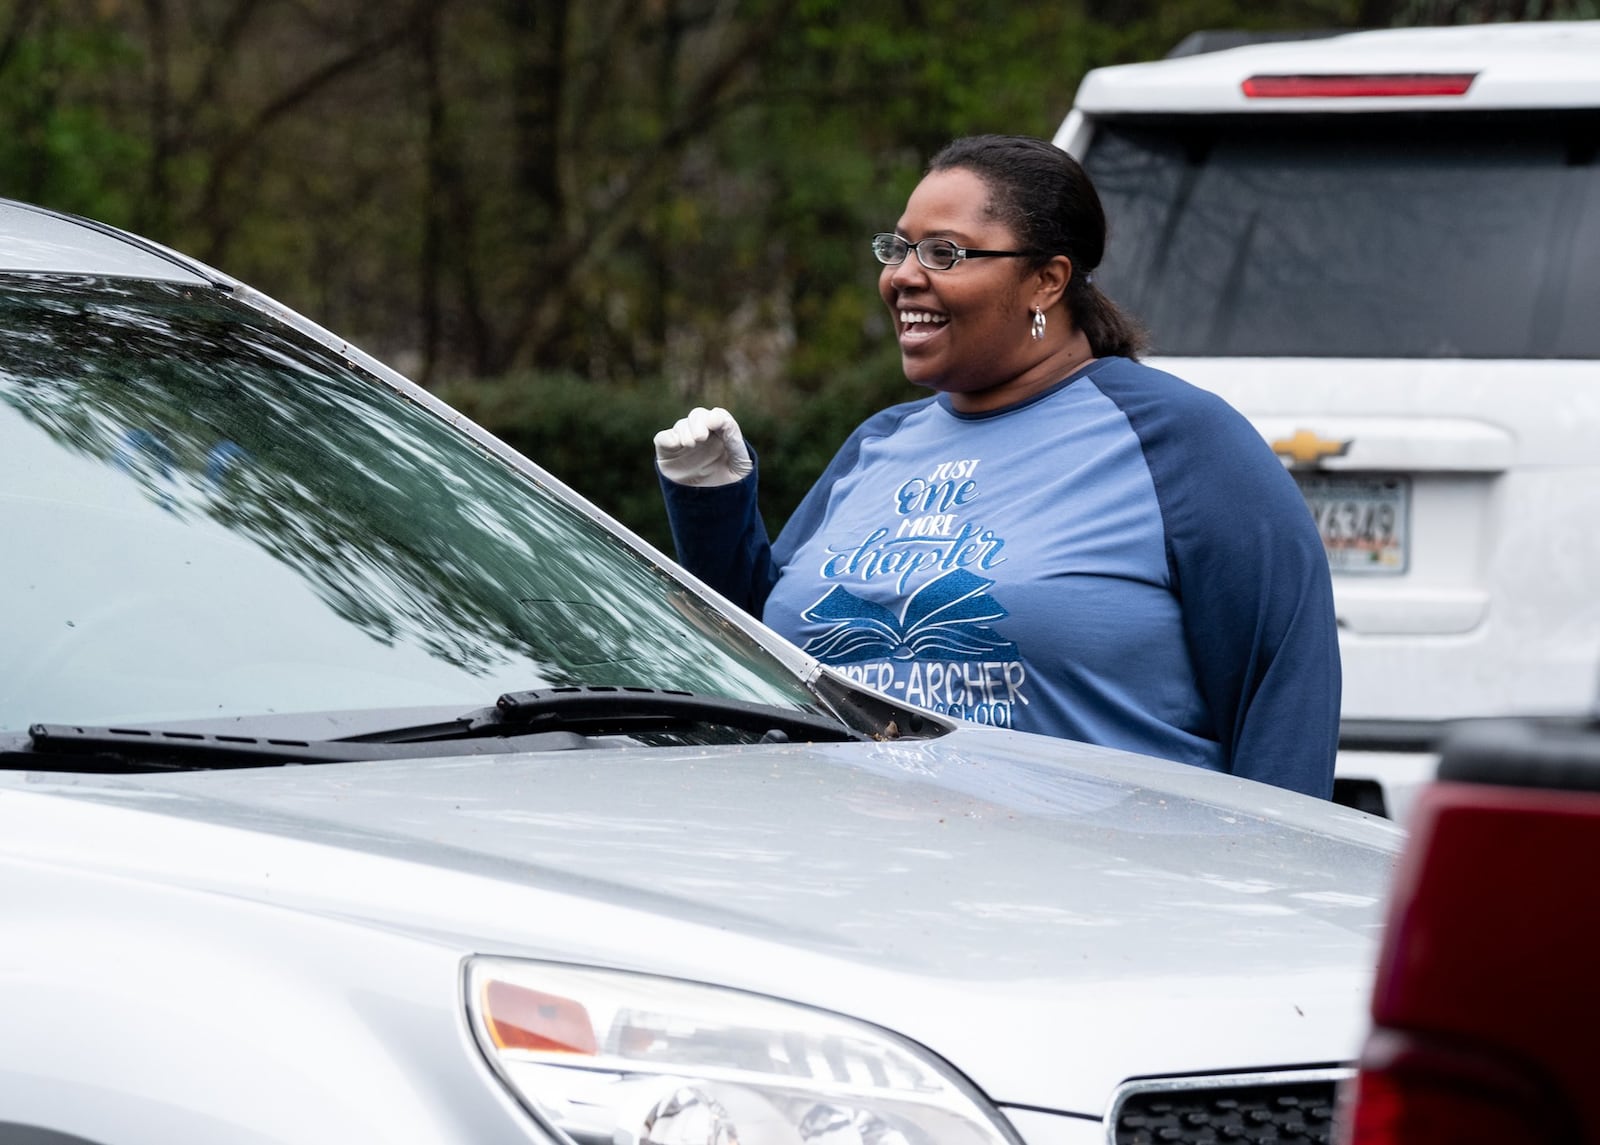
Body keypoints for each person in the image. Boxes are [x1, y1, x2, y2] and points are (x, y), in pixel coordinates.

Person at [653, 134, 1339, 799]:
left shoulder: (1180, 440)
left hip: (1104, 897)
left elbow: (1283, 684)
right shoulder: (876, 445)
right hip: (859, 892)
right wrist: (713, 505)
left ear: (1046, 280)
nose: (902, 277)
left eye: (943, 253)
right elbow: (762, 667)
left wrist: (1262, 895)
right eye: (898, 248)